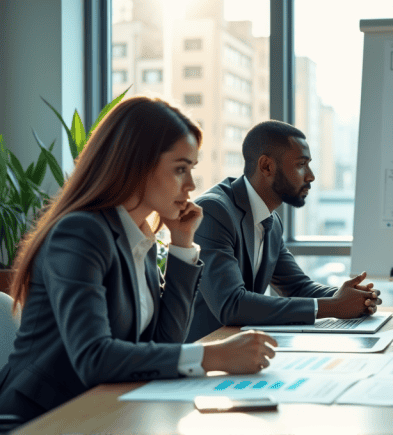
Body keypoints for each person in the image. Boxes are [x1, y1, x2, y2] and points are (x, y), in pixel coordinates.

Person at [0, 97, 278, 422]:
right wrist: (213, 355)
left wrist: (182, 245)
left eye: (191, 170)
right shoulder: (80, 233)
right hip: (38, 420)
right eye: (180, 169)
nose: (190, 185)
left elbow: (165, 342)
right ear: (136, 164)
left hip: (103, 410)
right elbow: (94, 357)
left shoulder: (138, 238)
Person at [186, 120, 381, 342]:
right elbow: (232, 304)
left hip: (239, 347)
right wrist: (334, 306)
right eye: (301, 164)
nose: (311, 176)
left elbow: (297, 286)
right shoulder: (214, 212)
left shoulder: (271, 220)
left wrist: (351, 298)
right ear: (267, 166)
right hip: (201, 351)